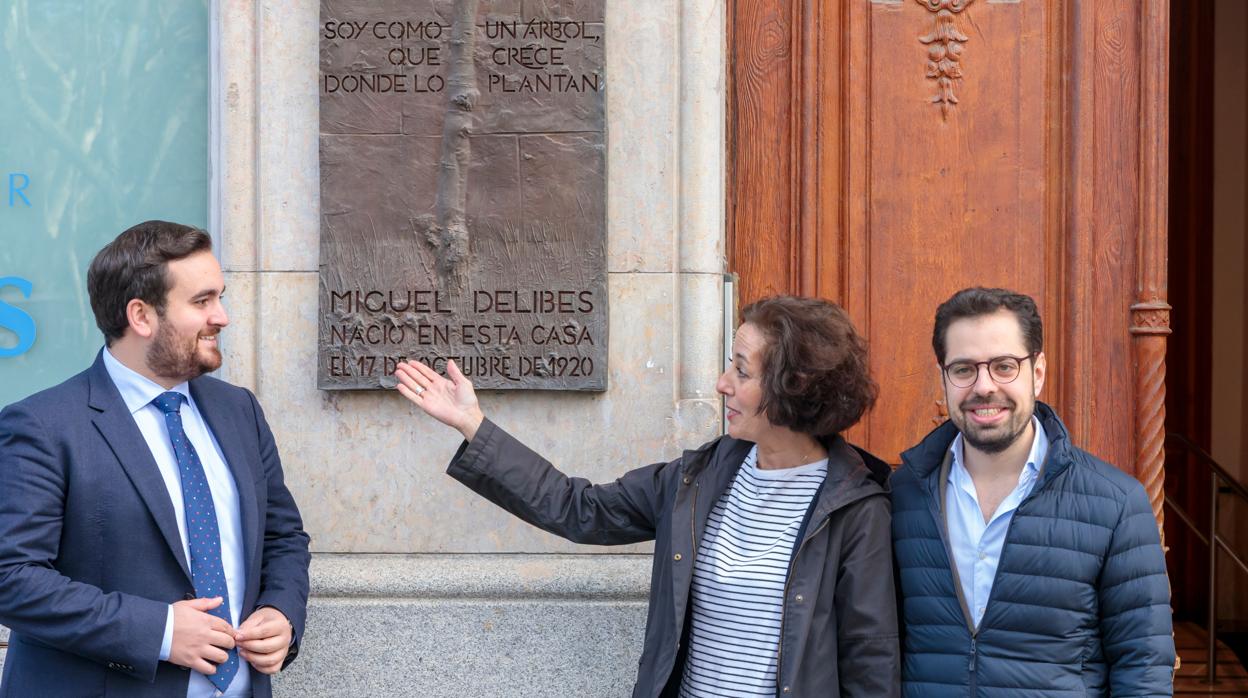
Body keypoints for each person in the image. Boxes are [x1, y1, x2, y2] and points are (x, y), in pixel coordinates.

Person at [395, 295, 899, 697]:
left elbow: (869, 664)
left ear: (796, 386)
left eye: (742, 372)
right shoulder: (696, 478)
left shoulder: (856, 509)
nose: (723, 384)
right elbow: (578, 509)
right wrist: (473, 424)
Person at [0, 221, 312, 697]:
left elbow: (282, 535)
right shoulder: (43, 425)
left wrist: (281, 612)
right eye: (202, 301)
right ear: (141, 316)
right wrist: (159, 631)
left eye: (220, 297)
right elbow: (11, 577)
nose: (222, 317)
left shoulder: (239, 410)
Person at [891, 287, 1175, 696]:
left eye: (1004, 366)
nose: (984, 386)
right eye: (964, 369)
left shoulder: (1116, 504)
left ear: (1037, 372)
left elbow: (1143, 666)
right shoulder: (903, 494)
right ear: (944, 377)